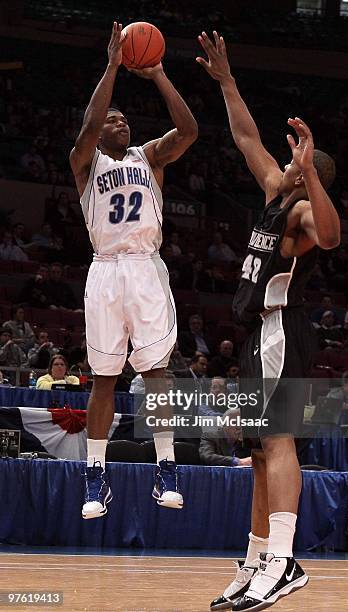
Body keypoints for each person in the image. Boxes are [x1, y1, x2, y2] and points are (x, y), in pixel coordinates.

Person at [197, 31, 340, 611]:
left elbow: (330, 237)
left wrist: (311, 174)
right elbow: (245, 135)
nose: (282, 164)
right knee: (258, 451)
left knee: (278, 443)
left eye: (293, 163)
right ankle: (258, 557)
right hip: (259, 335)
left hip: (284, 332)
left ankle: (282, 562)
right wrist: (227, 80)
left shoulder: (304, 210)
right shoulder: (274, 194)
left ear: (306, 176)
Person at [69, 22, 198, 519]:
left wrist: (160, 74)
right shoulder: (86, 163)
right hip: (104, 272)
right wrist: (112, 67)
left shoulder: (150, 156)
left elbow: (188, 131)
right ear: (100, 130)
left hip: (145, 268)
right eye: (113, 119)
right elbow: (86, 129)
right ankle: (94, 475)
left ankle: (166, 467)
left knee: (156, 373)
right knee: (104, 379)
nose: (121, 122)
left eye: (125, 118)